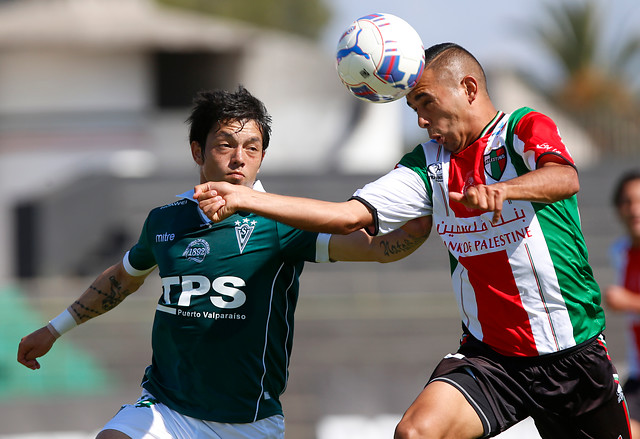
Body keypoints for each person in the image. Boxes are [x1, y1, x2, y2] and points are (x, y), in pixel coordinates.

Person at [193, 43, 631, 438]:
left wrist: (504, 190)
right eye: (412, 109)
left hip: (573, 356)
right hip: (493, 359)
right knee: (416, 432)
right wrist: (247, 198)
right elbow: (347, 217)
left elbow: (565, 177)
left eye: (426, 103)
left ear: (469, 88)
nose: (421, 121)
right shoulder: (428, 165)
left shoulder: (521, 130)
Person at [17, 86, 430, 439]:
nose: (239, 159)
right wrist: (54, 329)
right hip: (168, 409)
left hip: (249, 422)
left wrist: (426, 210)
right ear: (198, 150)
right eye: (225, 145)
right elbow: (122, 279)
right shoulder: (165, 220)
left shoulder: (281, 222)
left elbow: (378, 248)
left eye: (252, 148)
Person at [604, 170, 640, 437]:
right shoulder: (619, 252)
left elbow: (627, 302)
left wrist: (630, 302)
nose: (634, 210)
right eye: (627, 202)